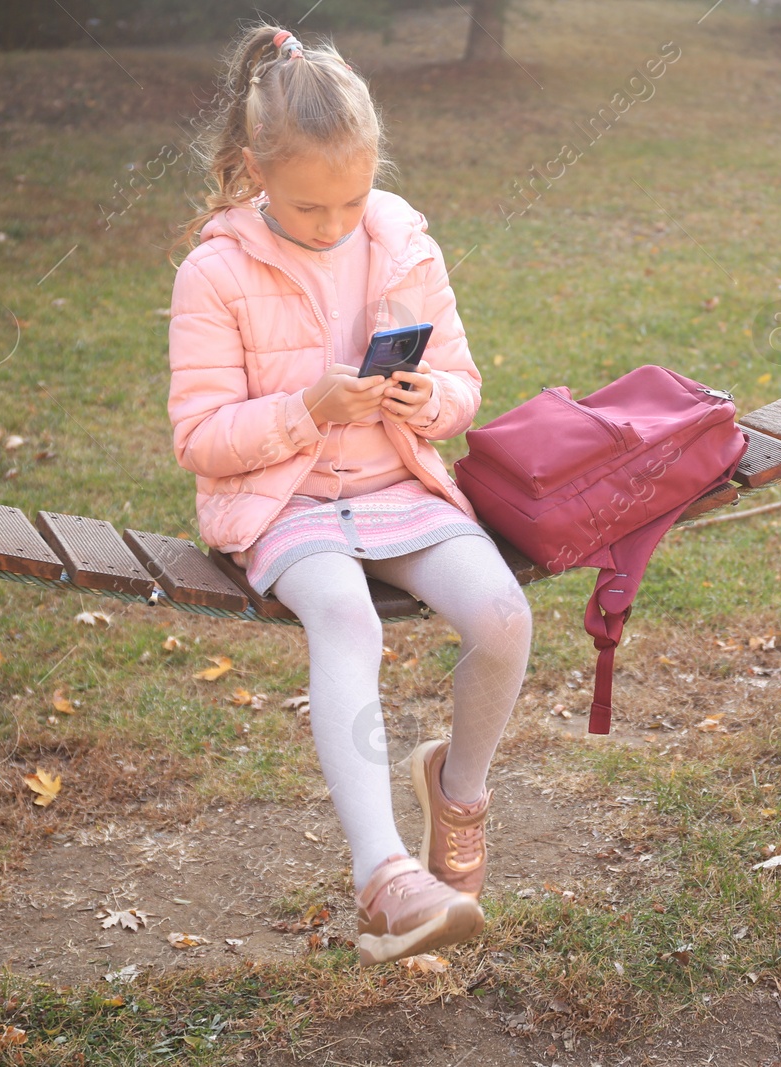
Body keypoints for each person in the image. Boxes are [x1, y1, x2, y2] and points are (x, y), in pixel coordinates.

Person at [167, 24, 532, 967]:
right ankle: (386, 879)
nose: (334, 223)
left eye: (353, 199)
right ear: (255, 173)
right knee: (347, 620)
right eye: (307, 206)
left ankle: (459, 788)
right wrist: (300, 410)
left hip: (394, 485)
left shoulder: (404, 241)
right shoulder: (214, 271)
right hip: (282, 504)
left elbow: (461, 383)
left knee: (502, 615)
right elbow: (199, 438)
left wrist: (428, 399)